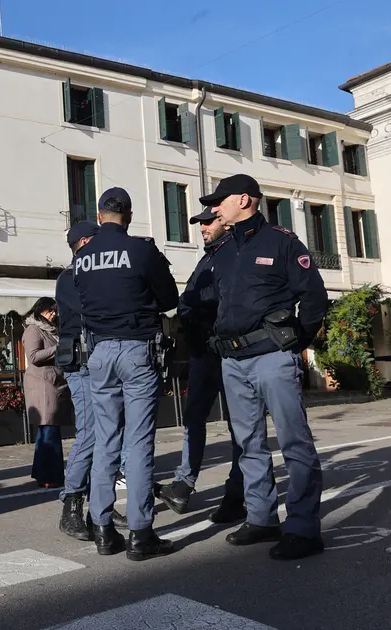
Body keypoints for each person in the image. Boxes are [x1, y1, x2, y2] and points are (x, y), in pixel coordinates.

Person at [203, 174, 327, 561]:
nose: (214, 208)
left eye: (220, 200)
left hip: (273, 356)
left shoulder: (282, 242)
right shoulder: (221, 249)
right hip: (233, 360)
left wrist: (293, 344)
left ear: (245, 200)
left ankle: (304, 528)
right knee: (248, 445)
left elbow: (314, 298)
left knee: (294, 441)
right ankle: (261, 517)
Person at [73, 187, 179, 560]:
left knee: (105, 442)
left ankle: (102, 530)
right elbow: (170, 301)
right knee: (137, 444)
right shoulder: (141, 250)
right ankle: (140, 534)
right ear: (128, 215)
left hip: (99, 353)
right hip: (136, 350)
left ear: (99, 215)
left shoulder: (82, 257)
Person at [154, 207, 246, 523]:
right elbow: (187, 297)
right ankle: (183, 484)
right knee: (194, 418)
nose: (202, 227)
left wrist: (192, 303)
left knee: (240, 424)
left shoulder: (232, 252)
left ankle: (240, 491)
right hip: (203, 350)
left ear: (225, 221)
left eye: (208, 221)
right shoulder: (208, 256)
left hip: (226, 348)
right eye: (200, 223)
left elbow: (217, 294)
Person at [55, 221, 126, 539]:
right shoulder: (69, 277)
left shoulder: (94, 273)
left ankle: (102, 505)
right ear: (84, 242)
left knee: (109, 434)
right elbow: (91, 310)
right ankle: (71, 507)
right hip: (81, 361)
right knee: (90, 434)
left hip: (104, 358)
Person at [22, 297, 73, 489]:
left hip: (51, 383)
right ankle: (51, 476)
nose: (53, 314)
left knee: (47, 431)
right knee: (49, 430)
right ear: (40, 310)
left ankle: (44, 474)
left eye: (54, 310)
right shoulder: (33, 330)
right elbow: (34, 356)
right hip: (43, 385)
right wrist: (57, 349)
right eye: (49, 310)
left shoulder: (49, 329)